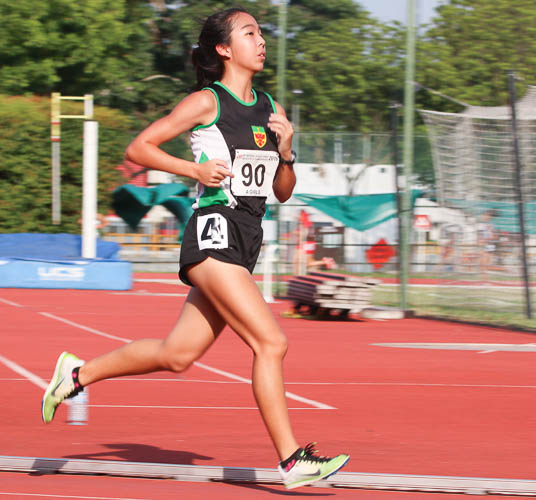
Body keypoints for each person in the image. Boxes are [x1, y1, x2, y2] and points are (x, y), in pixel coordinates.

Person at [40, 7, 349, 490]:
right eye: (250, 33)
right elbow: (140, 148)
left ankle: (77, 373)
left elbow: (282, 190)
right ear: (225, 49)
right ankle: (292, 461)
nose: (261, 41)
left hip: (248, 237)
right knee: (272, 342)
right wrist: (194, 171)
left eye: (262, 33)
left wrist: (287, 152)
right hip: (214, 229)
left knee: (177, 354)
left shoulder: (271, 107)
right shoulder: (207, 102)